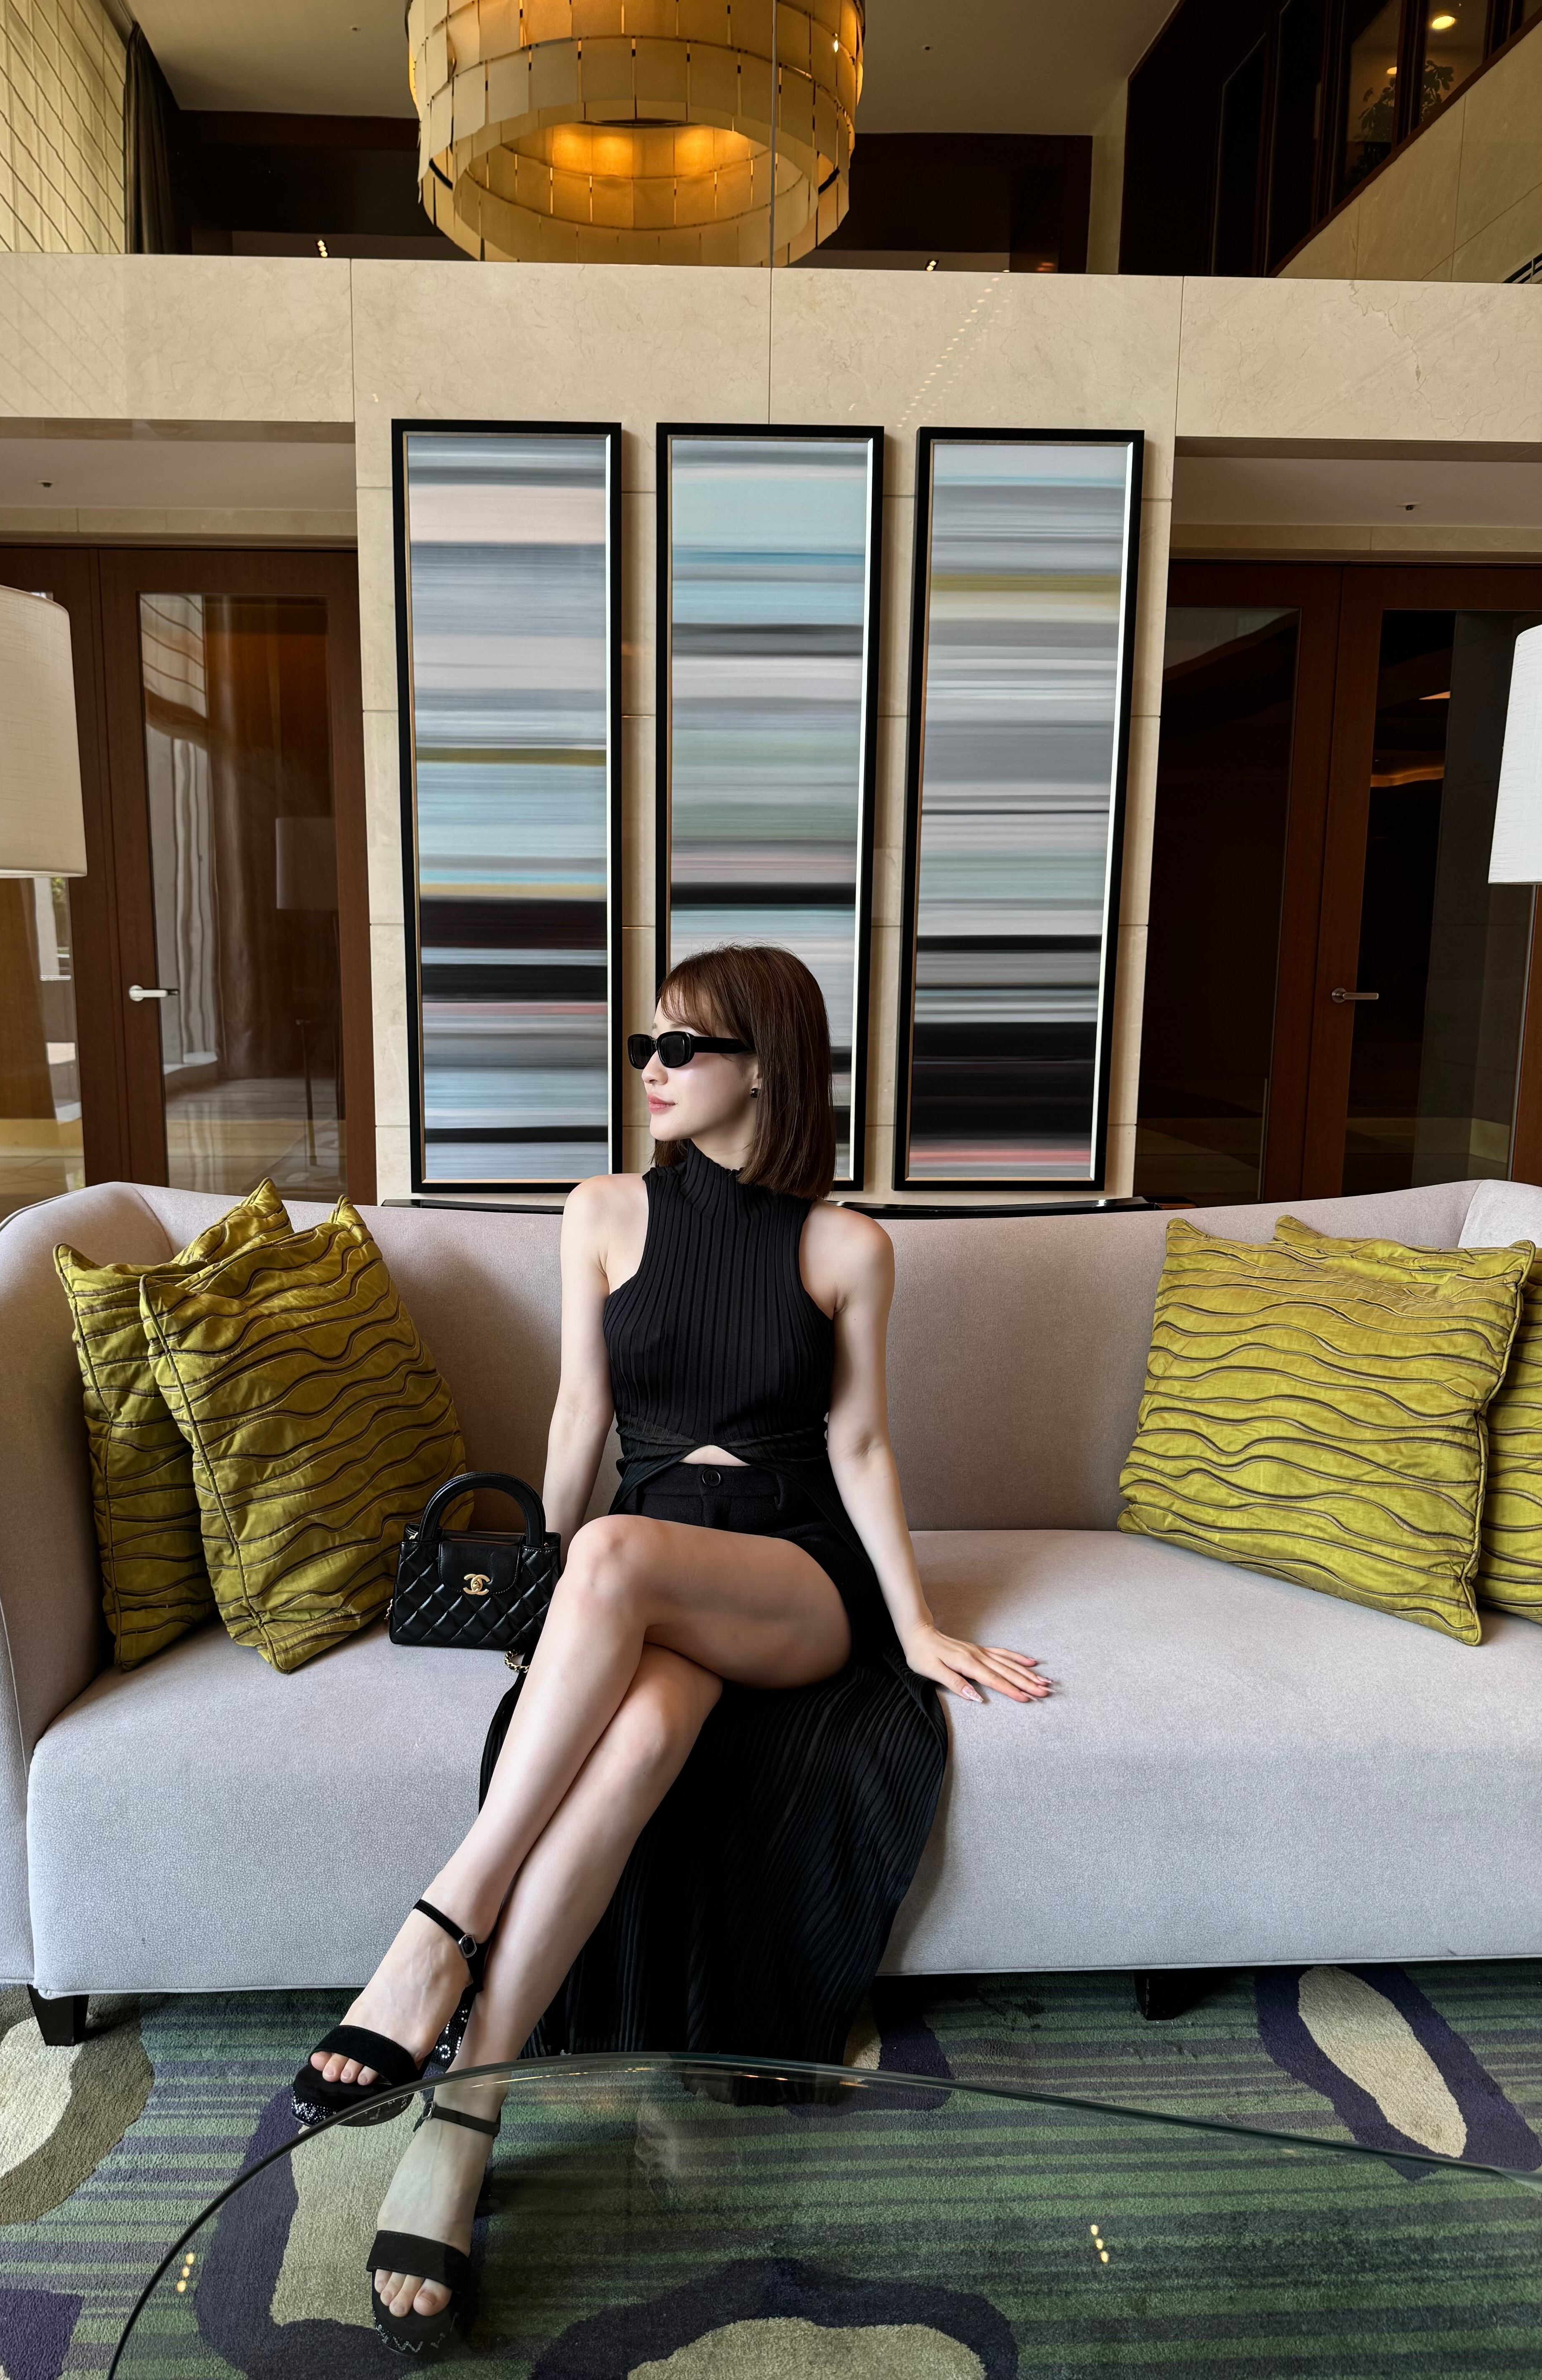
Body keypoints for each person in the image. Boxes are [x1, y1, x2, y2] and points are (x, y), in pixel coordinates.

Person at [292, 943, 1052, 2355]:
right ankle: (465, 2119)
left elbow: (859, 1446)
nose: (650, 1066)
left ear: (767, 1066)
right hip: (642, 1570)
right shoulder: (599, 1210)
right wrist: (545, 1596)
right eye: (645, 1043)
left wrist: (915, 1624)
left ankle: (437, 1933)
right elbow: (578, 1417)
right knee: (635, 1730)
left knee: (615, 1555)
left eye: (682, 1046)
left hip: (790, 1577)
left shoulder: (846, 1246)